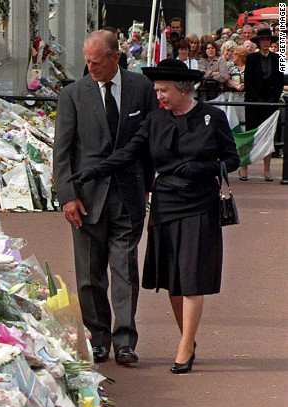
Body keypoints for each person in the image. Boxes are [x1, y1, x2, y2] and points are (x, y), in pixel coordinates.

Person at [71, 59, 239, 374]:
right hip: (166, 204)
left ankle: (185, 346)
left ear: (182, 90)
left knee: (191, 278)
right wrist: (91, 172)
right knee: (174, 279)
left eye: (163, 91)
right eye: (156, 90)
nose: (158, 96)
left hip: (200, 204)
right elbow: (127, 154)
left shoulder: (212, 117)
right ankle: (187, 338)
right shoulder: (154, 120)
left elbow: (231, 159)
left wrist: (203, 167)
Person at [54, 30, 158, 365]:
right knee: (89, 272)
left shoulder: (141, 89)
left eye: (96, 62)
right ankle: (97, 337)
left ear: (115, 57)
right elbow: (63, 151)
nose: (91, 67)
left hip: (128, 194)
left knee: (125, 269)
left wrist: (147, 183)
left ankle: (125, 340)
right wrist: (68, 196)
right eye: (87, 61)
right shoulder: (72, 94)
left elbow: (148, 143)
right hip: (85, 198)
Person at [243, 27, 283, 181]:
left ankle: (267, 169)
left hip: (270, 102)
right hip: (254, 101)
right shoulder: (251, 58)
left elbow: (280, 81)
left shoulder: (278, 58)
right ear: (258, 42)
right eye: (263, 40)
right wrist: (257, 99)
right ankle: (243, 167)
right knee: (249, 134)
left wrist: (273, 99)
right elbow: (248, 81)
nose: (266, 42)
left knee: (269, 135)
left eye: (268, 40)